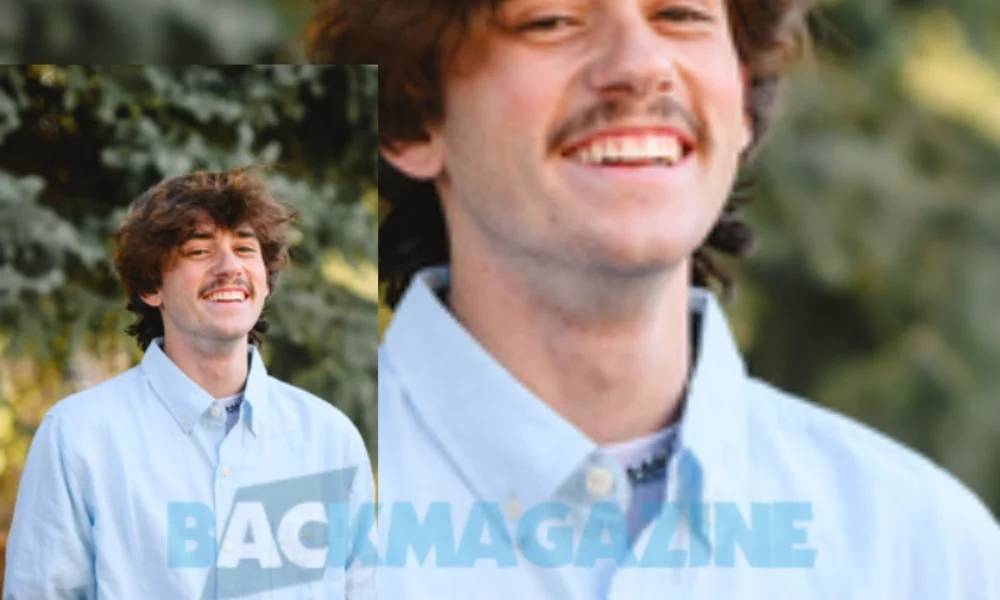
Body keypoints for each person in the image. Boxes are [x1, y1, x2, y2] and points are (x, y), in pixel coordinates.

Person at [311, 1, 1000, 598]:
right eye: (551, 20)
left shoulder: (923, 552)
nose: (641, 64)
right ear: (410, 116)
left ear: (742, 92)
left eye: (681, 15)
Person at [4, 169, 376, 599]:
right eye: (199, 251)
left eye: (244, 248)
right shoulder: (79, 436)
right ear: (150, 285)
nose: (230, 267)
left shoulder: (329, 439)